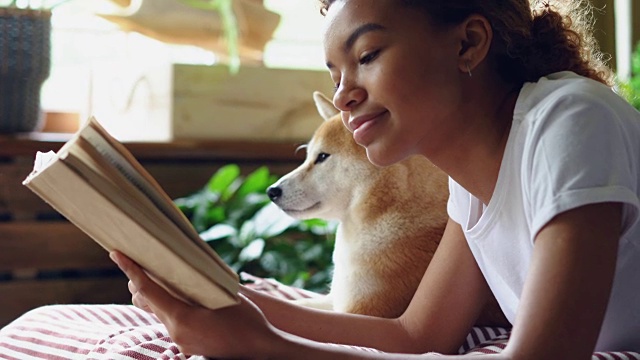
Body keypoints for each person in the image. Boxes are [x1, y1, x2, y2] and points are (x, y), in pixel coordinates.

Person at [110, 0, 640, 358]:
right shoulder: (476, 178)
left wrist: (265, 347)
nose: (342, 97)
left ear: (468, 44)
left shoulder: (571, 121)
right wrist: (223, 301)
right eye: (335, 74)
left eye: (366, 56)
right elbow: (415, 334)